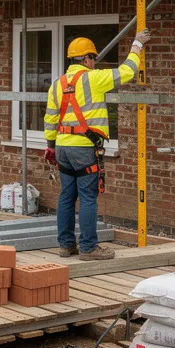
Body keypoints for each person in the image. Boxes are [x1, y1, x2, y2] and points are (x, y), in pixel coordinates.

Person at [42, 28, 152, 260]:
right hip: (84, 148)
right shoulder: (94, 79)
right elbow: (128, 71)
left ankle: (66, 246)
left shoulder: (57, 84)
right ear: (86, 59)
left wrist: (51, 145)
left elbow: (50, 118)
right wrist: (137, 44)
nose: (94, 63)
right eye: (93, 58)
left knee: (66, 196)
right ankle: (89, 248)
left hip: (62, 147)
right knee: (88, 197)